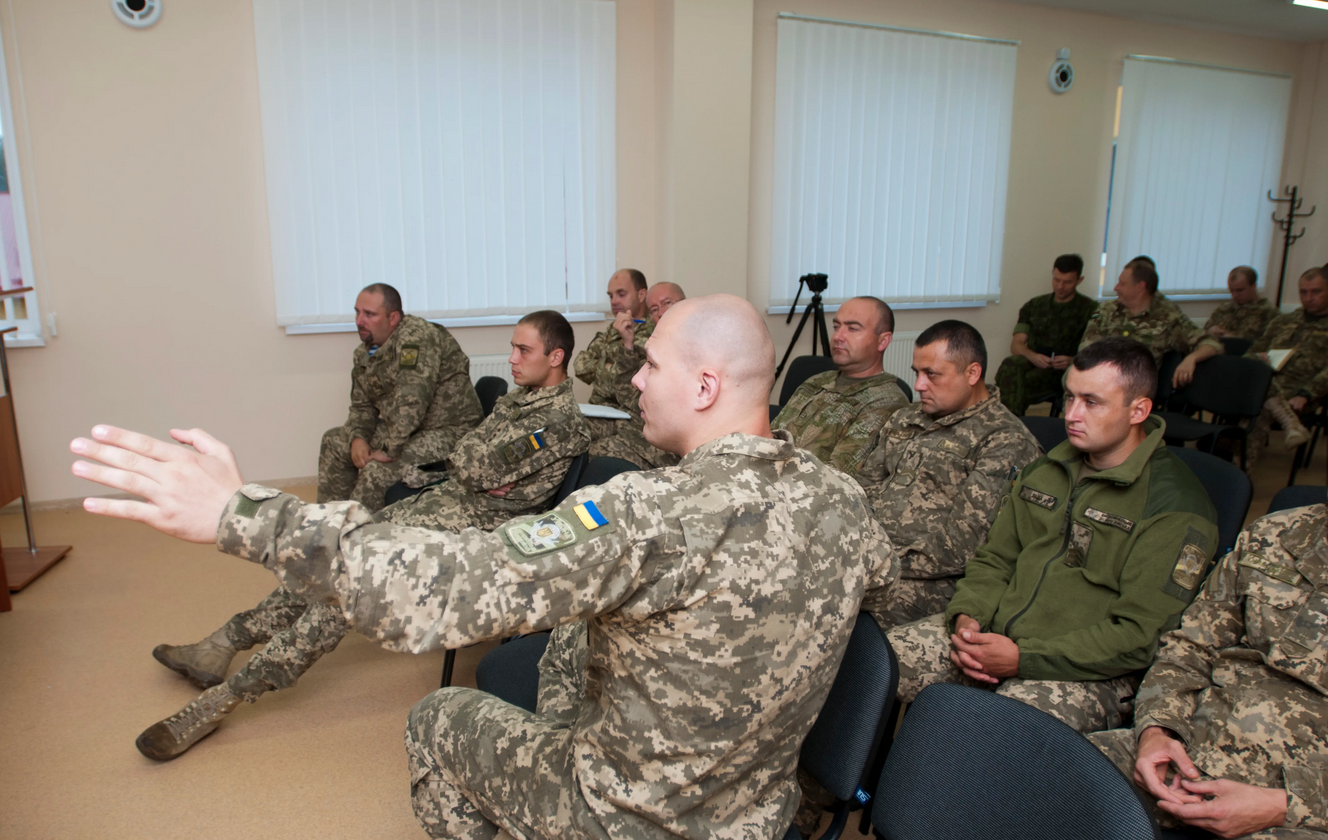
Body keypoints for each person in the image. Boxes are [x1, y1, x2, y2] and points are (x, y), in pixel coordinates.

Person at [69, 294, 897, 839]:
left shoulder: (648, 512)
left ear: (707, 385)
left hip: (630, 819)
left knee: (438, 719)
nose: (635, 380)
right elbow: (879, 586)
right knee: (576, 638)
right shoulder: (844, 501)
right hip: (754, 814)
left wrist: (239, 513)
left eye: (650, 366)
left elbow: (441, 593)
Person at [135, 312, 591, 760]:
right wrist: (475, 464)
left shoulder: (558, 420)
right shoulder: (518, 401)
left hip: (471, 535)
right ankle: (223, 643)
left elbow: (475, 464)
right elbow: (465, 456)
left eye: (522, 349)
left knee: (341, 593)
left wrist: (476, 465)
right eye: (512, 347)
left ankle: (223, 700)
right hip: (440, 504)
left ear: (555, 356)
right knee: (326, 551)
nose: (511, 357)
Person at [886, 337, 1219, 734]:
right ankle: (861, 787)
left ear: (1139, 410)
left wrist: (1023, 658)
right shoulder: (1048, 469)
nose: (1071, 415)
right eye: (1069, 397)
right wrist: (968, 617)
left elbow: (1140, 635)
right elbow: (995, 559)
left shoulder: (1175, 506)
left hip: (1087, 670)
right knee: (875, 667)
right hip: (994, 635)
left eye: (1091, 402)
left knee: (997, 733)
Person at [1089, 504, 1328, 839]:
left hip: (1300, 806)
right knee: (1044, 774)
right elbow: (1191, 647)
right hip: (1193, 752)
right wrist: (1157, 730)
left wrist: (1286, 805)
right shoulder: (1276, 534)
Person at [856, 320, 1040, 626]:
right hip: (871, 556)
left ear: (972, 373)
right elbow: (861, 492)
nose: (918, 385)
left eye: (932, 374)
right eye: (917, 373)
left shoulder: (1005, 441)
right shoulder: (906, 418)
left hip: (931, 581)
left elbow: (963, 547)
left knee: (828, 611)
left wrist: (874, 562)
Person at [317, 283, 483, 511]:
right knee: (334, 442)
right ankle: (329, 522)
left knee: (376, 471)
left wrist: (388, 450)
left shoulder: (417, 338)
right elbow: (361, 405)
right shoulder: (365, 352)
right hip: (408, 431)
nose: (359, 321)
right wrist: (358, 438)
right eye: (357, 312)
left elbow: (411, 400)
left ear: (393, 318)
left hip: (449, 432)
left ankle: (355, 536)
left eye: (369, 314)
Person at [773, 296, 910, 476]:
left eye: (853, 328)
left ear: (883, 341)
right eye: (836, 327)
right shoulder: (818, 381)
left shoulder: (887, 401)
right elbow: (771, 436)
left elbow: (835, 476)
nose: (838, 336)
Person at [573, 269, 678, 468]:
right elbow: (580, 366)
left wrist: (609, 364)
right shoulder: (613, 329)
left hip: (627, 415)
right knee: (561, 428)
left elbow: (628, 389)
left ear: (641, 295)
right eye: (610, 296)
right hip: (601, 409)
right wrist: (610, 367)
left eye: (621, 294)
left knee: (580, 444)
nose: (614, 301)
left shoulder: (656, 332)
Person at [1079, 258, 1223, 390]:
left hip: (1134, 388)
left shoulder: (1167, 317)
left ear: (1140, 287)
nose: (1116, 287)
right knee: (1074, 375)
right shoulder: (1107, 310)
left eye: (1122, 283)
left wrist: (1192, 358)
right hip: (1099, 377)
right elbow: (1087, 347)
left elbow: (1211, 343)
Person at [994, 254, 1100, 416]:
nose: (1060, 286)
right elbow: (1016, 345)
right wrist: (1032, 355)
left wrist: (1072, 360)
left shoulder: (1091, 310)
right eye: (1057, 280)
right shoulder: (1034, 306)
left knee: (1015, 383)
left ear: (1079, 280)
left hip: (1063, 369)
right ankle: (1014, 422)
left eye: (1067, 282)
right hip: (1035, 360)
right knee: (1010, 365)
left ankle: (1009, 421)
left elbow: (1096, 352)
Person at [1244, 266, 1328, 467]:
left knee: (1257, 403)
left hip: (1301, 391)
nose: (1308, 298)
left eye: (1316, 292)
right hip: (1269, 379)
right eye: (1303, 292)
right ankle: (1291, 424)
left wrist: (1306, 394)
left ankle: (1240, 467)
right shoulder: (1283, 321)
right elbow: (1250, 353)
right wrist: (1258, 357)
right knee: (1252, 390)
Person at [1205, 266, 1278, 341]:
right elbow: (1202, 334)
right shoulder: (1223, 309)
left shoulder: (1268, 312)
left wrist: (1235, 339)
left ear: (1253, 286)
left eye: (1240, 290)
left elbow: (1269, 343)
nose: (1235, 295)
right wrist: (1210, 330)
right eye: (1232, 291)